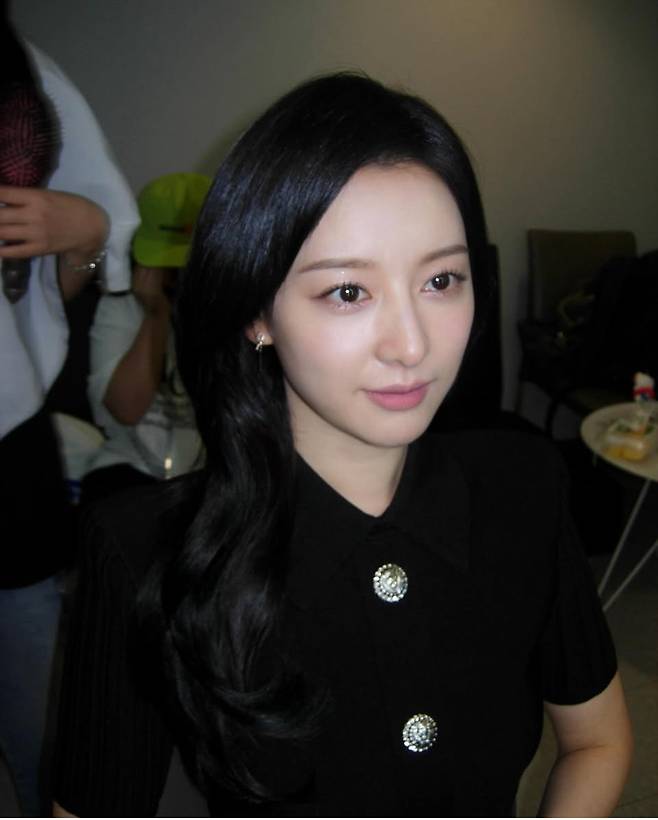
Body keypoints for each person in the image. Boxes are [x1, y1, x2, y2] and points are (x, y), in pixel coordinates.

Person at [53, 74, 632, 818]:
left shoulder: (525, 485)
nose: (412, 345)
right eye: (348, 292)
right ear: (257, 312)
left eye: (442, 279)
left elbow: (596, 742)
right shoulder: (144, 552)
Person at [0, 22, 138, 816]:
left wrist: (83, 229)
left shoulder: (24, 70)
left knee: (47, 733)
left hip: (9, 443)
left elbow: (71, 277)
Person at [81, 173, 208, 506]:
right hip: (129, 473)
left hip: (206, 479)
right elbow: (127, 409)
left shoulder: (235, 315)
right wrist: (156, 315)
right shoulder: (121, 307)